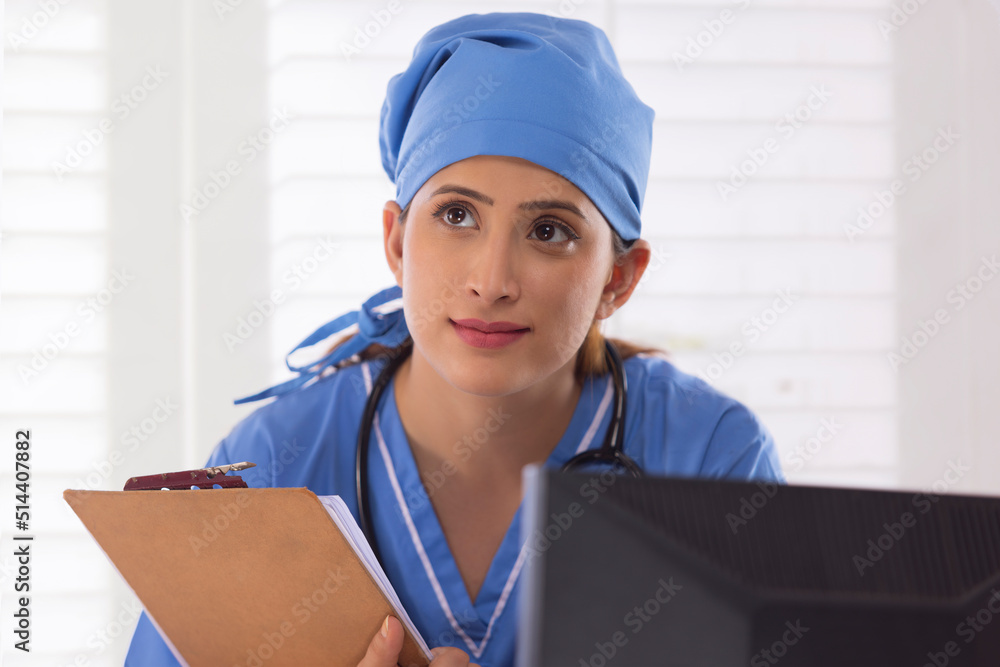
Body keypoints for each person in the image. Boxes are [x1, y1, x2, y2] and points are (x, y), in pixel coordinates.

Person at [124, 11, 784, 667]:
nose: (491, 282)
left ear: (618, 277)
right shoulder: (270, 465)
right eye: (457, 215)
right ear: (396, 244)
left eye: (549, 230)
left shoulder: (712, 457)